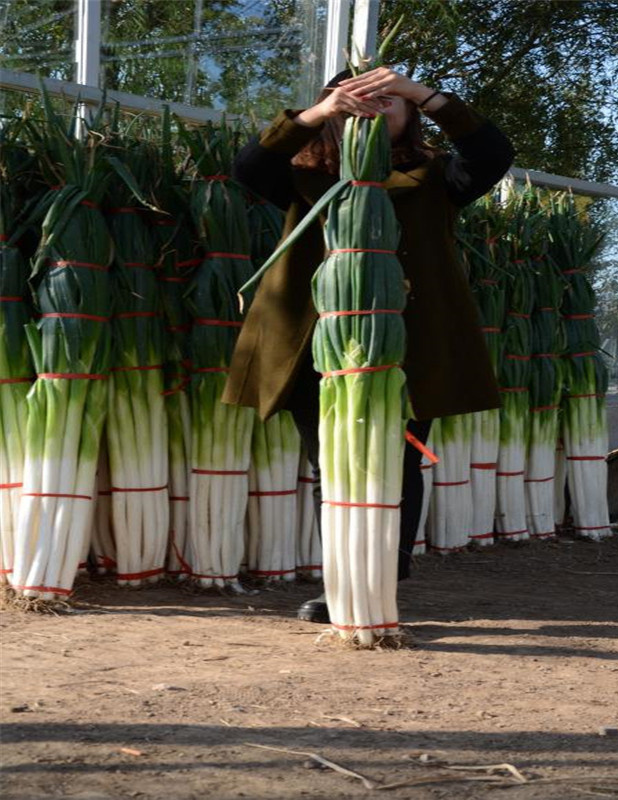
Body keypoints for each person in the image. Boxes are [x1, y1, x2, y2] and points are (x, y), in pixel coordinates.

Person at [223, 66, 515, 622]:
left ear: (408, 114)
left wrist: (425, 95)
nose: (374, 105)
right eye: (357, 97)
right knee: (330, 461)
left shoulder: (436, 177)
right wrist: (317, 114)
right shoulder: (302, 179)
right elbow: (247, 166)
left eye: (388, 99)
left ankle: (382, 576)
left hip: (409, 345)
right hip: (313, 344)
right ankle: (342, 581)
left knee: (400, 461)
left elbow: (492, 153)